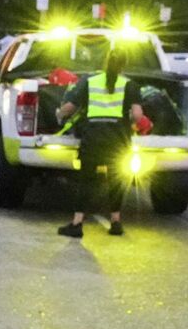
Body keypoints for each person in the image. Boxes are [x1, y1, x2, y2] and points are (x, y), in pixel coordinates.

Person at [54, 47, 145, 239]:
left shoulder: (90, 82)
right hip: (118, 140)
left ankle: (77, 224)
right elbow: (137, 115)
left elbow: (71, 107)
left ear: (105, 62)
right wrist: (130, 123)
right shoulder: (130, 85)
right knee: (116, 180)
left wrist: (59, 114)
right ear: (124, 65)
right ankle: (116, 222)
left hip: (93, 138)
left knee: (85, 181)